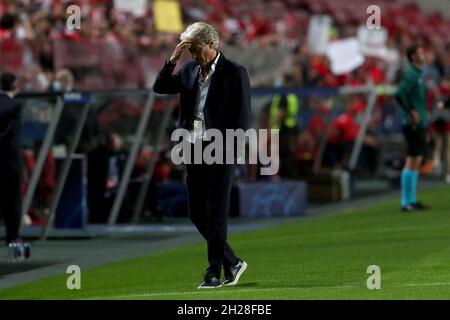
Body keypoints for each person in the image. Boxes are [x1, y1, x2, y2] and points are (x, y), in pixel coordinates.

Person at [153, 22, 250, 289]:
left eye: (195, 48)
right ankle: (233, 261)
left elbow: (242, 116)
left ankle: (213, 271)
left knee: (215, 211)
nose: (192, 53)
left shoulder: (234, 72)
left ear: (212, 45)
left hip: (221, 146)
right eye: (189, 49)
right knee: (196, 212)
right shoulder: (187, 69)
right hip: (193, 145)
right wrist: (173, 59)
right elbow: (160, 87)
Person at [395, 45, 429, 212]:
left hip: (419, 123)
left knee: (416, 160)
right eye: (420, 52)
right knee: (412, 159)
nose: (423, 54)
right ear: (413, 56)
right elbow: (399, 93)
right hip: (412, 124)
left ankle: (411, 200)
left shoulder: (417, 74)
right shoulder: (411, 74)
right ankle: (405, 201)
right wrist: (411, 111)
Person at [0, 72, 29, 258]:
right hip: (9, 160)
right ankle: (13, 237)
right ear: (15, 85)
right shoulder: (15, 106)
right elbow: (12, 135)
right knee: (13, 199)